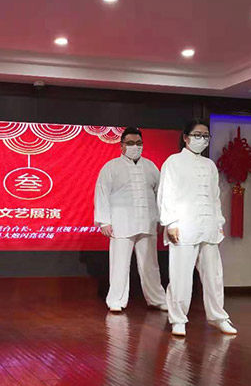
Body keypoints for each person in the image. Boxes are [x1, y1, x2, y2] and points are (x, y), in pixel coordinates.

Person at [157, 118, 237, 337]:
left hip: (208, 226)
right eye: (197, 135)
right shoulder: (173, 162)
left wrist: (219, 222)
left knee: (214, 276)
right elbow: (166, 193)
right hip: (183, 226)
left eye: (205, 136)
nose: (202, 139)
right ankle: (178, 319)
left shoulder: (209, 165)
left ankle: (218, 316)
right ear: (186, 138)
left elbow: (214, 197)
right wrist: (171, 223)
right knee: (180, 276)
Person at [94, 127, 168, 313]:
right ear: (122, 146)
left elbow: (160, 194)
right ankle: (116, 300)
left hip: (148, 221)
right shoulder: (111, 167)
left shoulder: (150, 166)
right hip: (121, 223)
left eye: (138, 143)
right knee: (119, 264)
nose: (135, 147)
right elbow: (101, 194)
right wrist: (104, 221)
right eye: (131, 143)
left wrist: (161, 219)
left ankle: (157, 299)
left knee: (150, 264)